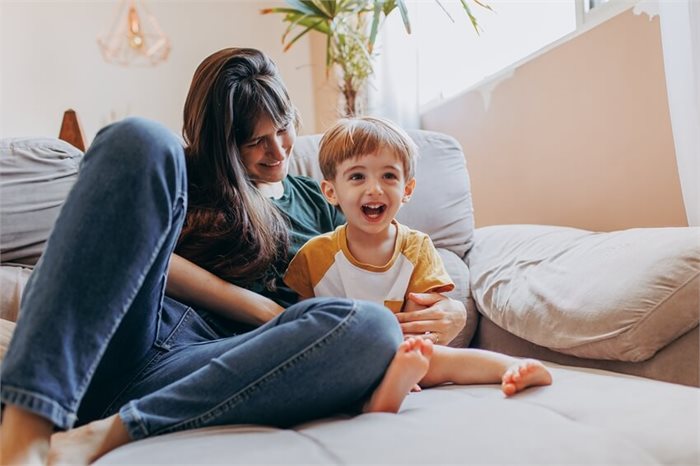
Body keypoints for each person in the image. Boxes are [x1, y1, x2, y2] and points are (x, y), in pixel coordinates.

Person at [0, 48, 465, 466]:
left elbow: (394, 266)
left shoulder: (327, 201)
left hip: (231, 366)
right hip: (137, 335)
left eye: (283, 128)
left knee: (371, 327)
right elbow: (112, 256)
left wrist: (452, 309)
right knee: (139, 137)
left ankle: (111, 430)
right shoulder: (180, 179)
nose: (278, 149)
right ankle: (25, 431)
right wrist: (257, 306)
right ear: (223, 143)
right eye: (254, 141)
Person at [284, 116, 553, 406]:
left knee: (436, 358)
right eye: (357, 176)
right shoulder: (313, 255)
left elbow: (420, 326)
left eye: (388, 176)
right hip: (341, 357)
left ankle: (509, 367)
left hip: (401, 352)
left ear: (407, 190)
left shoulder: (417, 247)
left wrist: (409, 355)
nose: (374, 188)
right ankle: (385, 390)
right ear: (331, 192)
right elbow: (305, 323)